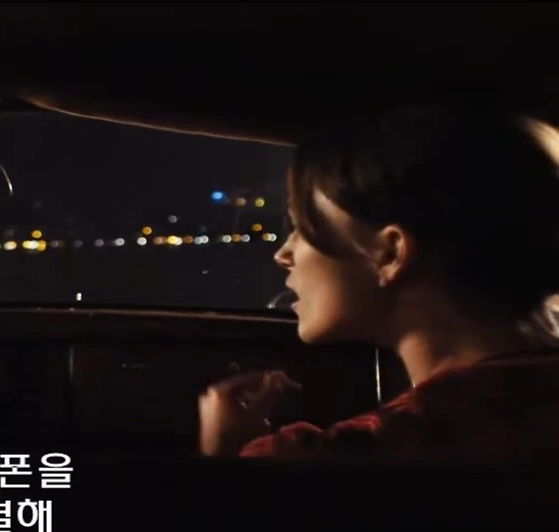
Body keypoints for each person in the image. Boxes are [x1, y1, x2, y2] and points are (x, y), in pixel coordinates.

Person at [199, 104, 559, 462]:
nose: (283, 254)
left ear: (390, 252)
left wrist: (230, 457)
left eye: (302, 227)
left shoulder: (331, 463)